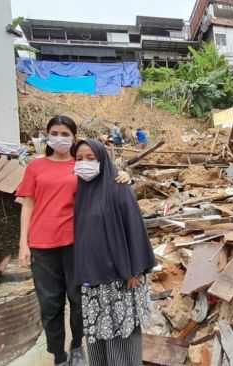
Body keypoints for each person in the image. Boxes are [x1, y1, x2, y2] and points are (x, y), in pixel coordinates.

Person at [16, 116, 131, 366]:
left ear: (74, 138)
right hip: (41, 245)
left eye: (64, 133)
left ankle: (77, 345)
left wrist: (122, 175)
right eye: (54, 132)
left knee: (79, 300)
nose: (59, 137)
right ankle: (58, 354)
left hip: (76, 244)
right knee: (50, 304)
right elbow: (28, 203)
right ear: (47, 136)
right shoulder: (35, 167)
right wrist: (23, 244)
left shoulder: (81, 165)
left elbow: (103, 184)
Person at [73, 139, 156, 366]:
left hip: (120, 280)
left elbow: (135, 229)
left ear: (102, 160)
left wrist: (135, 272)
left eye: (91, 158)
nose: (84, 163)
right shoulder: (83, 191)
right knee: (98, 336)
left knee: (122, 335)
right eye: (79, 158)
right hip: (93, 281)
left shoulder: (119, 188)